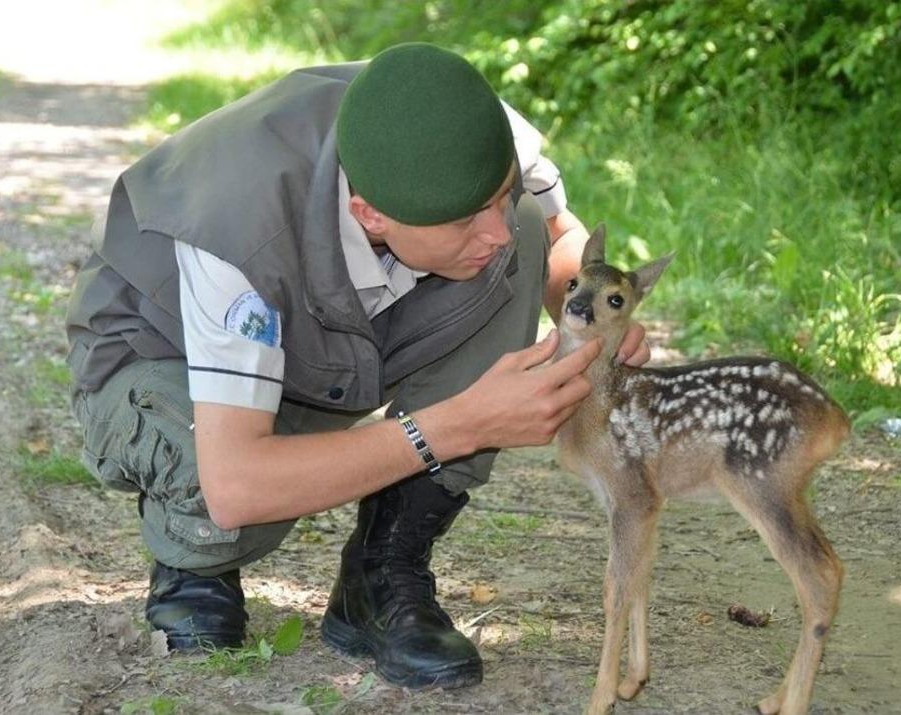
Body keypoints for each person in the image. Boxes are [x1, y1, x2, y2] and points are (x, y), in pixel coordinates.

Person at [65, 43, 650, 690]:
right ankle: (194, 562)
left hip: (319, 335)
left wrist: (600, 324)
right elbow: (238, 483)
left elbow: (559, 238)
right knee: (228, 493)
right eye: (466, 218)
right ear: (369, 211)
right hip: (158, 348)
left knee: (525, 239)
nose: (497, 229)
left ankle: (381, 569)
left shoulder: (465, 125)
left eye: (500, 196)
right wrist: (453, 425)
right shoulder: (239, 231)